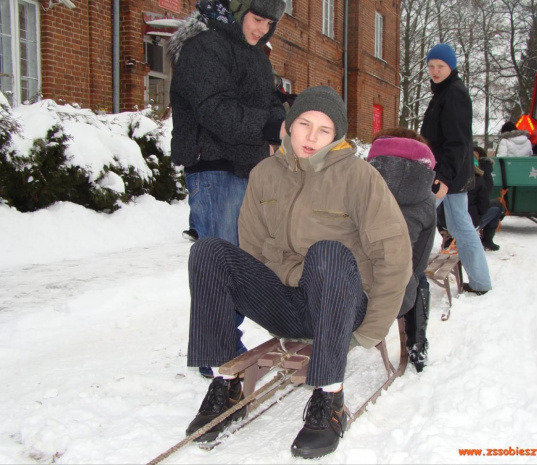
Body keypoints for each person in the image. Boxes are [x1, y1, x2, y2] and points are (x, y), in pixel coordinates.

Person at [184, 86, 412, 458]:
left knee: (328, 253)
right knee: (209, 251)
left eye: (324, 130)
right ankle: (227, 382)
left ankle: (330, 396)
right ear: (288, 127)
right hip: (287, 302)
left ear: (336, 136)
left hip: (341, 304)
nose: (311, 136)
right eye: (304, 124)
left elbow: (394, 256)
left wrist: (369, 331)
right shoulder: (264, 175)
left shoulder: (359, 177)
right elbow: (252, 250)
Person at [169, 0, 287, 375]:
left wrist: (287, 118)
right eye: (256, 19)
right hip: (214, 169)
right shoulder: (204, 46)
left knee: (241, 259)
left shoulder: (252, 54)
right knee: (220, 261)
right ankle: (219, 352)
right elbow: (218, 112)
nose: (261, 30)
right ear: (237, 11)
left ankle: (218, 346)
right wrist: (269, 131)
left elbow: (269, 103)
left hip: (245, 167)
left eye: (269, 24)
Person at [420, 43, 492, 296]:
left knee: (419, 221)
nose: (435, 71)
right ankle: (481, 281)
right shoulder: (443, 93)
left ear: (452, 67)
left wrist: (445, 177)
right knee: (459, 225)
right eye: (431, 66)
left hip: (446, 175)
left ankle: (408, 279)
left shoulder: (453, 94)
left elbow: (457, 141)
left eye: (441, 66)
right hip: (449, 174)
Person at [366, 128, 436, 373]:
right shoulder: (427, 199)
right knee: (419, 277)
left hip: (351, 293)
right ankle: (417, 344)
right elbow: (419, 263)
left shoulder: (357, 185)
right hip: (395, 299)